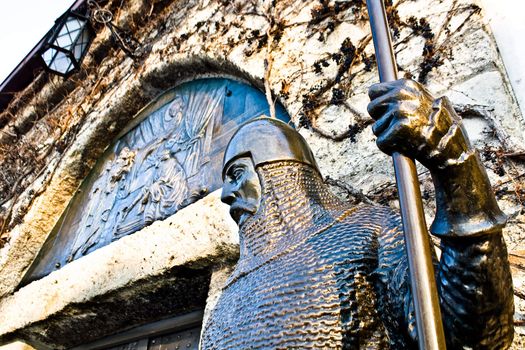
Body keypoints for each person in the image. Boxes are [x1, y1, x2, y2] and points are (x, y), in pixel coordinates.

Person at [200, 79, 514, 349]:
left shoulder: (369, 231)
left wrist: (455, 161)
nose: (227, 195)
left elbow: (468, 336)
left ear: (280, 170)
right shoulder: (225, 302)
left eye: (238, 173)